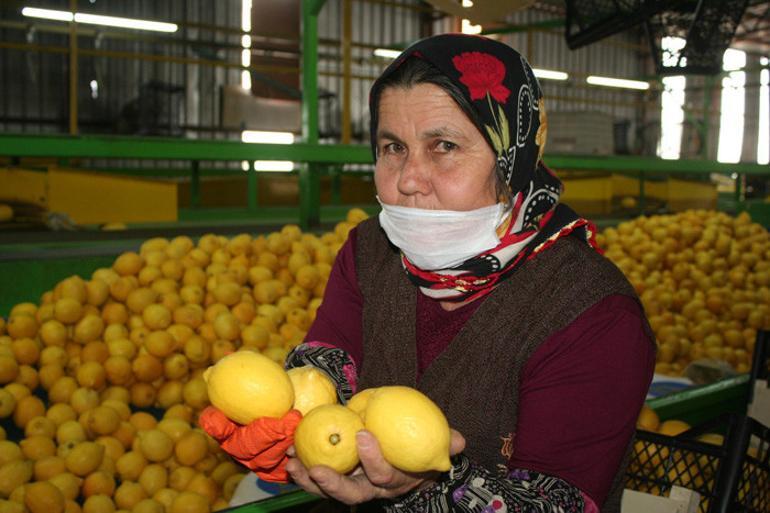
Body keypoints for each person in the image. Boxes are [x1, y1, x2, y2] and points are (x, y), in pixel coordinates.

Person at [202, 33, 655, 513]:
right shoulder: (370, 251)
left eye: (443, 145)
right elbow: (330, 366)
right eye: (392, 146)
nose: (408, 179)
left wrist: (424, 483)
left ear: (511, 157)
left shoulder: (593, 313)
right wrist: (287, 421)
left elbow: (555, 504)